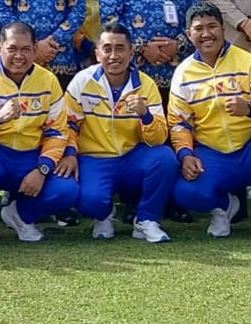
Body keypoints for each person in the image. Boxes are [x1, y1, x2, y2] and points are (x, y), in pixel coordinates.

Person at [168, 3, 251, 246]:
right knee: (185, 192)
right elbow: (179, 124)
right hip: (214, 156)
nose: (206, 34)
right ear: (188, 33)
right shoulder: (183, 74)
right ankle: (225, 207)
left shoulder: (247, 61)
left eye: (212, 27)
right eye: (199, 29)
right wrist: (185, 155)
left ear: (223, 28)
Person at [0, 21, 79, 246]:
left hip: (31, 156)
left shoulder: (48, 80)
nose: (19, 56)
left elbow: (57, 131)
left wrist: (42, 169)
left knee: (67, 189)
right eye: (12, 49)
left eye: (25, 49)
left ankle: (20, 215)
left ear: (35, 49)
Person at [63, 22, 175, 243]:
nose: (114, 55)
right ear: (97, 54)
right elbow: (68, 126)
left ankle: (146, 219)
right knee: (89, 201)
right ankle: (104, 215)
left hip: (132, 157)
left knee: (165, 158)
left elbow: (159, 138)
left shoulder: (146, 85)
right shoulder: (82, 81)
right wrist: (70, 153)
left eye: (120, 48)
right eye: (107, 49)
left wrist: (145, 115)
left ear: (131, 52)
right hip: (95, 158)